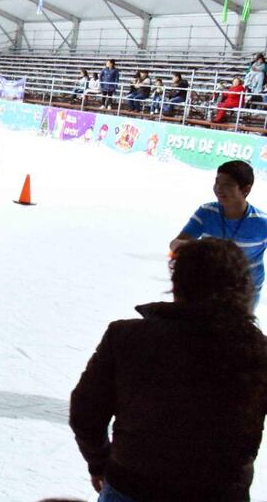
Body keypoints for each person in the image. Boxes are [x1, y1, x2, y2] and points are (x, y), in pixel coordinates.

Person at [70, 238, 267, 502]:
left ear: (177, 283)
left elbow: (85, 412)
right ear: (242, 288)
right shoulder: (257, 351)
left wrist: (100, 462)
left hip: (132, 486)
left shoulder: (127, 337)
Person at [169, 160, 267, 308]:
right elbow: (175, 244)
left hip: (244, 291)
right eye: (217, 182)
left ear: (245, 190)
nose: (219, 189)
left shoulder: (262, 223)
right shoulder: (207, 212)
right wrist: (207, 248)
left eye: (227, 185)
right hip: (208, 286)